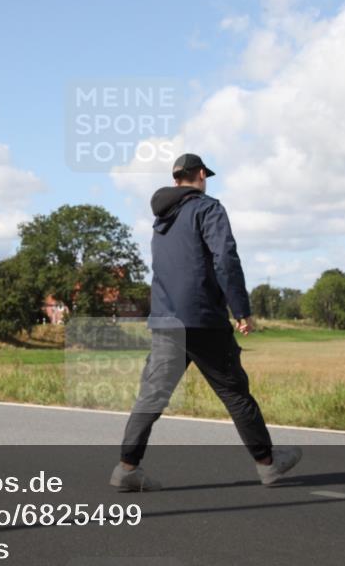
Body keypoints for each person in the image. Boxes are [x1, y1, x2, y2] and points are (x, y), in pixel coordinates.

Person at [110, 153, 302, 491]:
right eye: (204, 176)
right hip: (201, 319)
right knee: (234, 391)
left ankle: (127, 468)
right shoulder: (207, 208)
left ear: (174, 180)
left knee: (151, 396)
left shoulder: (161, 220)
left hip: (166, 319)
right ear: (200, 175)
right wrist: (240, 308)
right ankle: (268, 464)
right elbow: (225, 258)